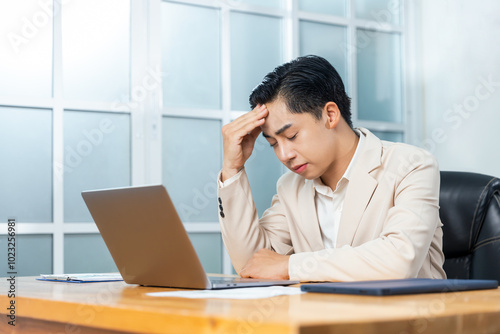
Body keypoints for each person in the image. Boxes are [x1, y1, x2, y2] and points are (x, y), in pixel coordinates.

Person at [217, 55, 446, 281]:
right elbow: (252, 264)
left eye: (292, 135)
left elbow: (399, 261)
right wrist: (232, 168)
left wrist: (292, 266)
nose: (284, 155)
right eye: (273, 144)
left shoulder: (412, 165)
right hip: (322, 316)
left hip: (404, 316)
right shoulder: (290, 187)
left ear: (330, 115)